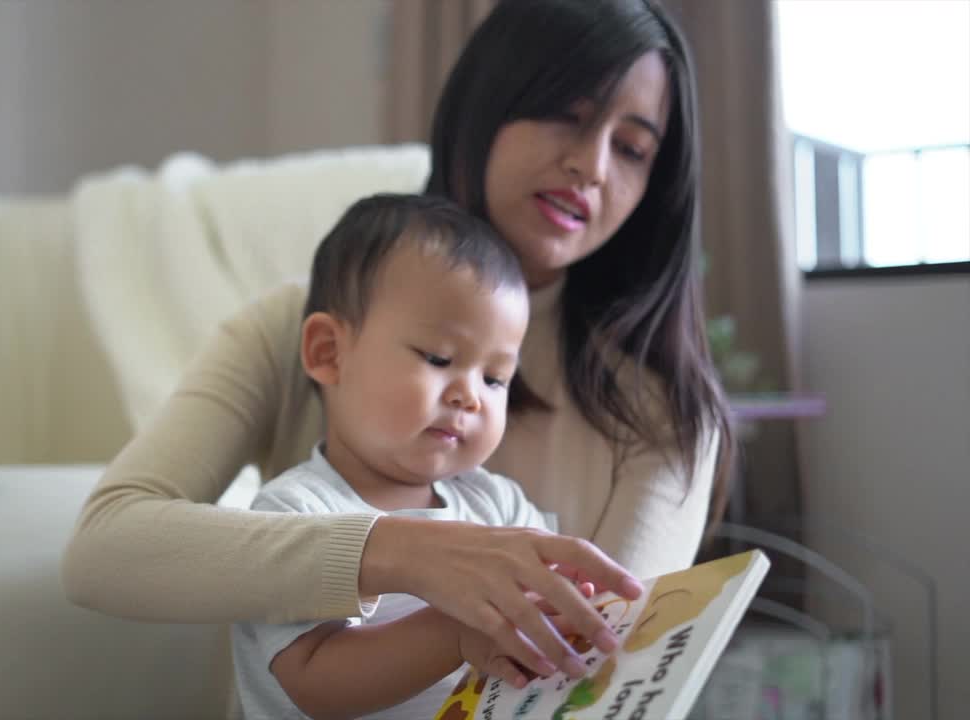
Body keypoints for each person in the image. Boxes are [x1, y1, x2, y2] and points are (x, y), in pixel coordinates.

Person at [63, 0, 733, 684]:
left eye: (632, 149)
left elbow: (608, 674)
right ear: (485, 104)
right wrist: (399, 552)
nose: (591, 165)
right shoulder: (305, 322)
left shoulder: (663, 409)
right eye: (567, 112)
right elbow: (105, 550)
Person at [232, 193, 577, 719]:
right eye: (439, 358)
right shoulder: (292, 513)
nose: (471, 396)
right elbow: (316, 683)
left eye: (495, 377)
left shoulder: (498, 507)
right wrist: (458, 630)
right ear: (329, 352)